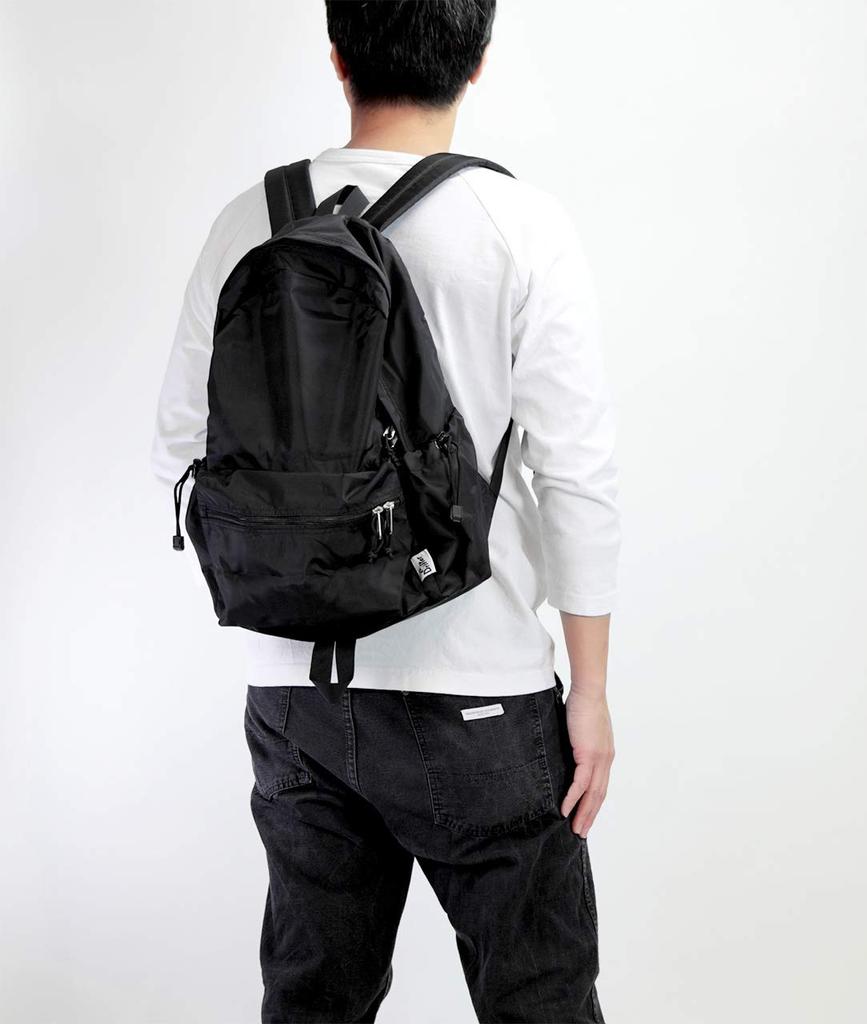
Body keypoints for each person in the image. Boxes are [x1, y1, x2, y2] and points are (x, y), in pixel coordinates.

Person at [151, 2, 620, 1021]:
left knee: (314, 1003)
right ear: (477, 59)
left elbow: (180, 445)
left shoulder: (250, 220)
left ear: (338, 55)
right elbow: (577, 478)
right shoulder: (519, 226)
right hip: (479, 692)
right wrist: (589, 690)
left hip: (294, 698)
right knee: (539, 1000)